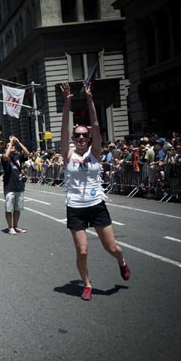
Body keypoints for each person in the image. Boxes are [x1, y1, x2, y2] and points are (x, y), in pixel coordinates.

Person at [60, 82, 130, 301]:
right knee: (82, 251)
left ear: (88, 139)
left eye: (84, 135)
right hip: (75, 208)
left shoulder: (95, 153)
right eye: (77, 135)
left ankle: (122, 262)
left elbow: (97, 126)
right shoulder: (68, 155)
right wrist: (67, 102)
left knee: (111, 247)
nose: (81, 138)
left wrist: (90, 99)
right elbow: (63, 129)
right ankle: (87, 284)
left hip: (96, 205)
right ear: (73, 139)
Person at [1, 135, 29, 235]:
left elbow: (27, 153)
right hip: (9, 187)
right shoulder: (4, 159)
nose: (12, 146)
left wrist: (18, 142)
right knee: (9, 208)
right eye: (9, 145)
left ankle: (16, 226)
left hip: (19, 186)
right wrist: (10, 143)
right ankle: (10, 227)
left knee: (17, 208)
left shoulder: (18, 157)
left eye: (13, 145)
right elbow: (5, 156)